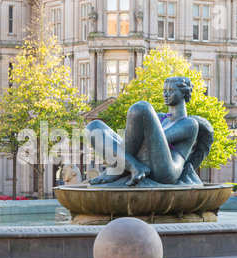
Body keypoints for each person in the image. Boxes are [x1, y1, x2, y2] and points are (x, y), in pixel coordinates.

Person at [85, 76, 213, 187]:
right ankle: (134, 166)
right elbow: (135, 140)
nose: (166, 95)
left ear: (183, 94)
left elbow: (156, 141)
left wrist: (117, 151)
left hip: (167, 171)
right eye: (164, 91)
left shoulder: (189, 123)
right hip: (144, 161)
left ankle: (119, 167)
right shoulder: (158, 117)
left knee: (141, 107)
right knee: (94, 127)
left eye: (171, 91)